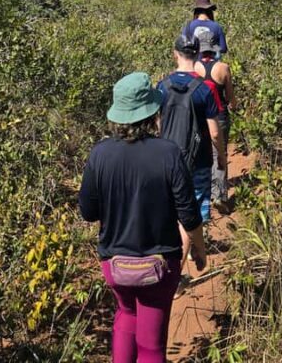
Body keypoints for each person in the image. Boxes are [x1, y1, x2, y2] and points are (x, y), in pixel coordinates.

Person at [79, 71, 206, 363]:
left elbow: (88, 212)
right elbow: (188, 213)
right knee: (151, 346)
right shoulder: (168, 153)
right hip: (159, 265)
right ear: (152, 112)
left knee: (126, 314)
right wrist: (199, 248)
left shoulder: (100, 154)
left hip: (115, 263)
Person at [158, 36, 226, 268]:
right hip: (198, 160)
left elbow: (159, 124)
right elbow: (215, 133)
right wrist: (222, 160)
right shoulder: (204, 89)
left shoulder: (162, 86)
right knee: (192, 212)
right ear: (197, 54)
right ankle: (176, 275)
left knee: (172, 212)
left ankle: (187, 253)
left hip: (166, 159)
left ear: (174, 53)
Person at [194, 30, 237, 214]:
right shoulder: (223, 68)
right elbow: (230, 97)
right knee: (219, 152)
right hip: (219, 116)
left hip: (199, 117)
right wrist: (234, 105)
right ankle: (219, 195)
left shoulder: (194, 67)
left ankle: (204, 195)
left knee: (202, 154)